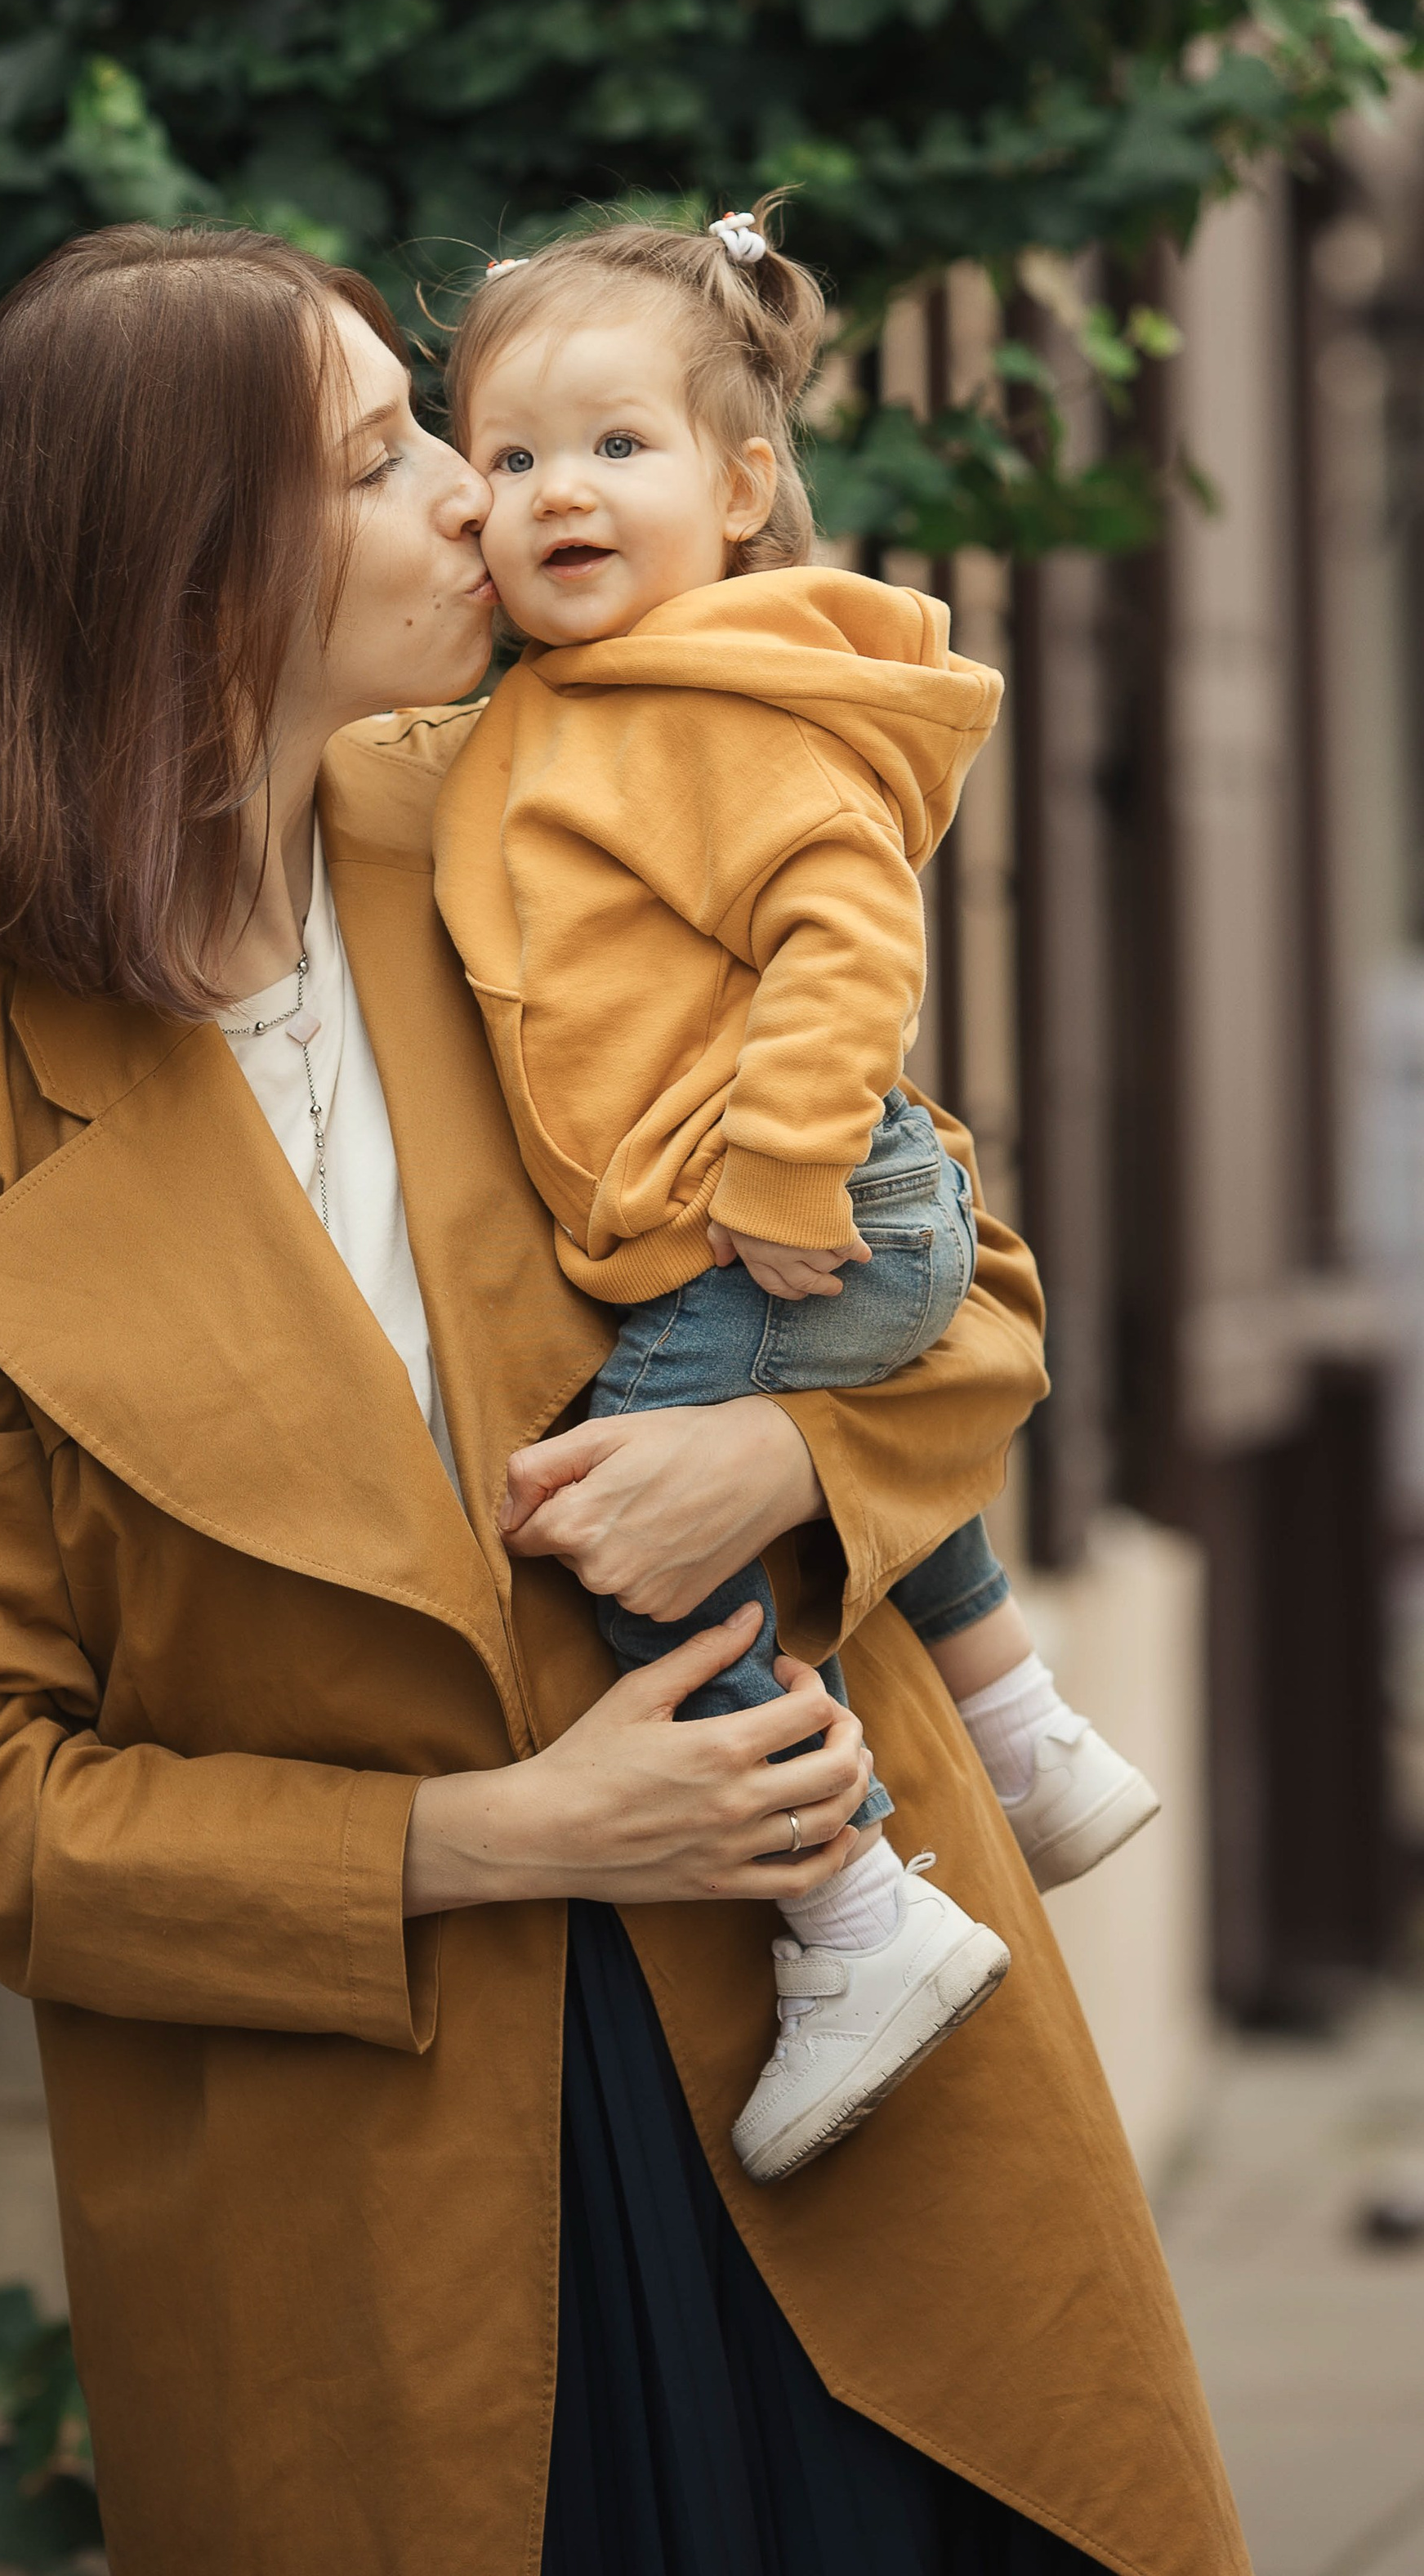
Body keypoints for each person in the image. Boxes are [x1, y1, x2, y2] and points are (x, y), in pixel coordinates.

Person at [0, 222, 1248, 2576]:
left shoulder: (559, 806)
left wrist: (771, 1452)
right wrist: (518, 1833)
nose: (479, 496)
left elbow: (951, 1279)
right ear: (195, 584)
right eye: (384, 461)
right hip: (365, 2220)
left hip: (837, 2059)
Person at [432, 210, 1158, 2184]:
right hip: (807, 1191)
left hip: (799, 1192)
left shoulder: (700, 702)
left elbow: (848, 925)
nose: (548, 493)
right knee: (755, 1460)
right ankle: (1019, 1733)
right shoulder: (582, 705)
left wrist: (767, 1169)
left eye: (613, 447)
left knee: (617, 1514)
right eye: (503, 458)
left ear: (744, 488)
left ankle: (852, 1912)